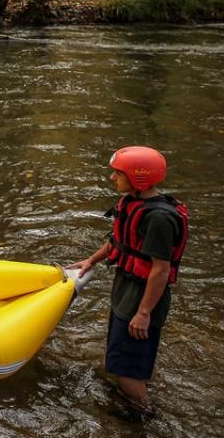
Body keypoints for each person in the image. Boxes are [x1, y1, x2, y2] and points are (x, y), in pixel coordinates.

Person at [70, 145, 188, 414]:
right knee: (129, 358)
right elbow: (119, 242)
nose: (112, 178)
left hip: (142, 294)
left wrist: (144, 312)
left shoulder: (159, 218)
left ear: (139, 178)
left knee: (127, 371)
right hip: (128, 289)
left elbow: (159, 269)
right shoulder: (134, 203)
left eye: (118, 173)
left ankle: (145, 417)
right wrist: (91, 260)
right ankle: (140, 392)